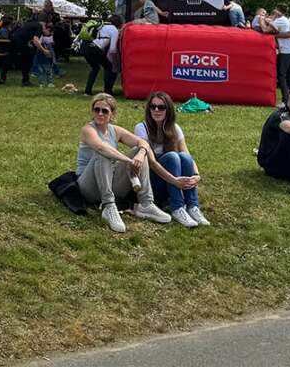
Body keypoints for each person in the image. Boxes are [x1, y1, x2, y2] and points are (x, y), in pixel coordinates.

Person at [75, 93, 172, 232]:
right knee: (103, 152)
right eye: (97, 110)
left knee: (139, 149)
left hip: (111, 182)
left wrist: (140, 154)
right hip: (88, 187)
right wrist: (128, 161)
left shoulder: (115, 130)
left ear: (112, 114)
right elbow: (101, 147)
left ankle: (146, 204)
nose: (100, 113)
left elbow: (142, 142)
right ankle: (109, 206)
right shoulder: (88, 130)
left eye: (105, 111)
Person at [133, 91, 209, 226]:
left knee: (184, 157)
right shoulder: (141, 128)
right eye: (153, 106)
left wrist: (197, 175)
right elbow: (152, 163)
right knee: (172, 156)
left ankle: (192, 206)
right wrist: (174, 181)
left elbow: (187, 154)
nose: (156, 110)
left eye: (161, 107)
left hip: (172, 179)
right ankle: (177, 207)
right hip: (153, 180)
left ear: (168, 110)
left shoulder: (174, 128)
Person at [83, 14, 120, 95]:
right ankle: (107, 91)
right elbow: (112, 49)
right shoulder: (114, 30)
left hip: (85, 47)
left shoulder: (102, 26)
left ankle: (87, 91)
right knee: (109, 67)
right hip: (95, 48)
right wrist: (115, 62)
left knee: (95, 68)